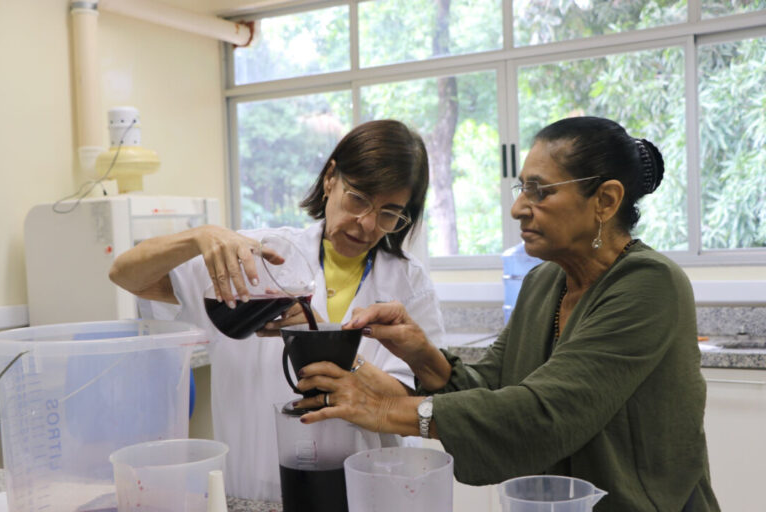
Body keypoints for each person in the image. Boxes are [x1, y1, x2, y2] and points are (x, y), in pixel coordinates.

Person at [295, 117, 720, 511]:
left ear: (605, 201)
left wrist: (386, 409)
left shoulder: (649, 284)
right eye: (522, 190)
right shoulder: (543, 283)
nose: (518, 208)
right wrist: (422, 355)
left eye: (541, 191)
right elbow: (494, 386)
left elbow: (545, 414)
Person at [108, 119, 445, 501]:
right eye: (359, 198)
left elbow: (413, 406)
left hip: (365, 494)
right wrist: (199, 236)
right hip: (252, 490)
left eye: (388, 213)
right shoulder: (258, 256)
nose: (367, 224)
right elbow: (126, 274)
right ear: (331, 177)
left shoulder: (409, 283)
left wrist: (327, 342)